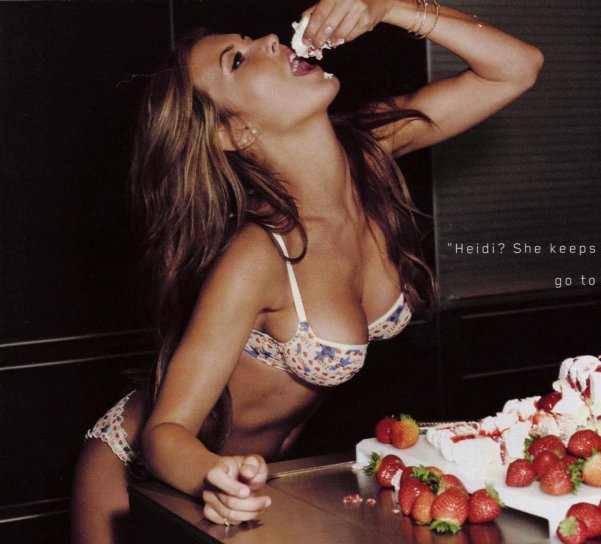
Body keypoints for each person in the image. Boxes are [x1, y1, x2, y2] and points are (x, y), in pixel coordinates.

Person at [71, 0, 543, 542]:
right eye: (238, 60)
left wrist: (389, 7)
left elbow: (517, 67)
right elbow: (165, 430)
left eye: (252, 37)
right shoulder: (258, 256)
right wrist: (212, 475)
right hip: (142, 476)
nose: (269, 39)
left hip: (269, 477)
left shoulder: (370, 157)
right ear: (234, 132)